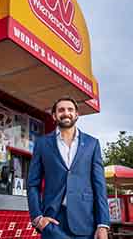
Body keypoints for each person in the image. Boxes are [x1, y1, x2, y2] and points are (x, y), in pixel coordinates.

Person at [27, 96, 110, 239]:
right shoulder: (42, 144)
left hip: (86, 222)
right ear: (54, 116)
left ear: (77, 114)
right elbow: (32, 184)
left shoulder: (92, 144)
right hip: (52, 222)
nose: (66, 113)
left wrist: (102, 224)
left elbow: (100, 186)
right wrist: (37, 218)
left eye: (70, 109)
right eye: (61, 110)